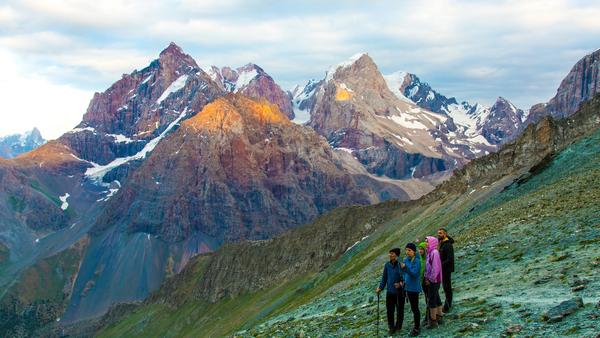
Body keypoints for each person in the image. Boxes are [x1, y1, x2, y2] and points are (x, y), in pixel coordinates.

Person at [376, 248, 405, 335]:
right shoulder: (387, 265)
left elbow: (405, 277)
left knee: (400, 310)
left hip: (400, 292)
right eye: (389, 253)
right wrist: (380, 288)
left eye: (392, 253)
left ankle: (399, 326)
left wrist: (400, 284)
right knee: (389, 310)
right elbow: (384, 278)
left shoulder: (401, 264)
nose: (390, 255)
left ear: (396, 255)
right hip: (390, 292)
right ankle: (391, 327)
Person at [401, 243, 422, 337]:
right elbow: (405, 274)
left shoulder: (416, 261)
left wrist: (405, 268)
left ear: (414, 251)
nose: (407, 252)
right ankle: (416, 325)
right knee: (413, 308)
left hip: (414, 288)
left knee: (415, 308)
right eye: (406, 250)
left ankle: (417, 328)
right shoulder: (406, 260)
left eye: (409, 250)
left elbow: (413, 273)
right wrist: (403, 281)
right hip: (408, 287)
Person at [424, 236, 443, 328]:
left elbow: (435, 268)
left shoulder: (434, 253)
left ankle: (433, 321)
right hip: (433, 279)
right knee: (437, 297)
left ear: (432, 243)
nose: (425, 244)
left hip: (434, 280)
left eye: (427, 242)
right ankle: (439, 317)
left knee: (432, 299)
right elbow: (428, 268)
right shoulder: (430, 252)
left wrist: (430, 279)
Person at [437, 228, 455, 312]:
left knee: (447, 287)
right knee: (445, 287)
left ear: (445, 234)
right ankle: (447, 304)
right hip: (443, 269)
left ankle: (447, 306)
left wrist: (440, 265)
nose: (438, 235)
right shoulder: (442, 243)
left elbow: (450, 259)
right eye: (438, 233)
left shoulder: (448, 245)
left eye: (440, 233)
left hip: (446, 269)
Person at [418, 242, 428, 322]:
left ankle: (430, 316)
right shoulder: (421, 258)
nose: (420, 250)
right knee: (426, 298)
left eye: (422, 249)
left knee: (429, 298)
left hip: (428, 281)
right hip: (423, 281)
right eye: (419, 249)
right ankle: (428, 315)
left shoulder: (428, 258)